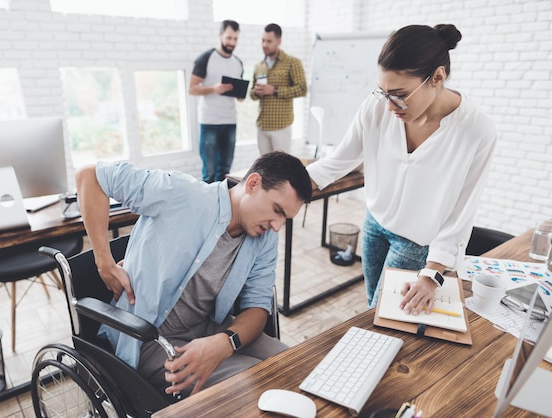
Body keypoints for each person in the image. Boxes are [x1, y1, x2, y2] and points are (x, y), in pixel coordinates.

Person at [75, 151, 312, 398]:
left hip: (208, 327)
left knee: (296, 367)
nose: (277, 226)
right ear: (253, 184)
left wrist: (224, 343)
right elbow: (89, 176)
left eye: (285, 218)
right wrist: (104, 261)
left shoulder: (265, 239)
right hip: (149, 339)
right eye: (277, 210)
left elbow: (258, 308)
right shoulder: (181, 194)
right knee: (258, 385)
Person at [306, 24, 496, 314]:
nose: (389, 104)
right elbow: (340, 160)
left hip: (416, 242)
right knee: (374, 305)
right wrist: (285, 184)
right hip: (374, 224)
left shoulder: (476, 131)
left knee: (381, 316)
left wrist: (432, 274)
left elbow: (462, 211)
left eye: (398, 94)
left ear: (437, 77)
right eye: (383, 92)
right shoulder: (377, 106)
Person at [189, 19, 243, 183]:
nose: (231, 42)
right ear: (220, 35)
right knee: (210, 173)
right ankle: (207, 208)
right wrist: (214, 89)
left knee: (225, 172)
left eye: (235, 39)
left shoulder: (238, 63)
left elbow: (239, 97)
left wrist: (240, 93)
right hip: (210, 122)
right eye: (228, 38)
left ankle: (222, 208)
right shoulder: (205, 58)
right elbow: (191, 88)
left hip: (230, 121)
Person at [249, 23, 307, 155]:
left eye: (269, 41)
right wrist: (256, 92)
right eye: (263, 40)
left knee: (281, 168)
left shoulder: (292, 62)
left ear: (279, 41)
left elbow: (302, 89)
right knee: (264, 168)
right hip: (262, 126)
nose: (264, 44)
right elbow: (251, 93)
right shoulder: (259, 65)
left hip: (280, 127)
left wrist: (274, 90)